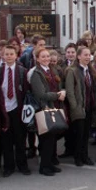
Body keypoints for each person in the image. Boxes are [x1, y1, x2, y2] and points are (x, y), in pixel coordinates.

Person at [30, 48, 67, 176]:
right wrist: (57, 95)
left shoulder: (52, 70)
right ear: (37, 59)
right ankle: (44, 166)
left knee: (52, 138)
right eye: (43, 57)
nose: (46, 59)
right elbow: (41, 94)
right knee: (45, 139)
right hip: (44, 108)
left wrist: (62, 91)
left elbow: (59, 84)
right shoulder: (36, 73)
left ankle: (50, 163)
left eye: (47, 56)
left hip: (54, 106)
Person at [0, 44, 30, 176]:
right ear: (3, 56)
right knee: (6, 139)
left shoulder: (22, 71)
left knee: (20, 138)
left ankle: (22, 165)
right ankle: (8, 166)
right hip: (4, 109)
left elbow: (27, 91)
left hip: (18, 108)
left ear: (16, 56)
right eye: (6, 54)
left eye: (11, 54)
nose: (9, 56)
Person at [66, 47, 96, 167]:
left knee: (86, 134)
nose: (88, 57)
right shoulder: (72, 71)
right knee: (79, 134)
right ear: (79, 56)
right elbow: (70, 91)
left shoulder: (91, 70)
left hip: (89, 106)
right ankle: (78, 157)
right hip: (79, 107)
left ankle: (85, 156)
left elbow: (94, 89)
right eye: (85, 55)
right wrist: (74, 107)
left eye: (89, 55)